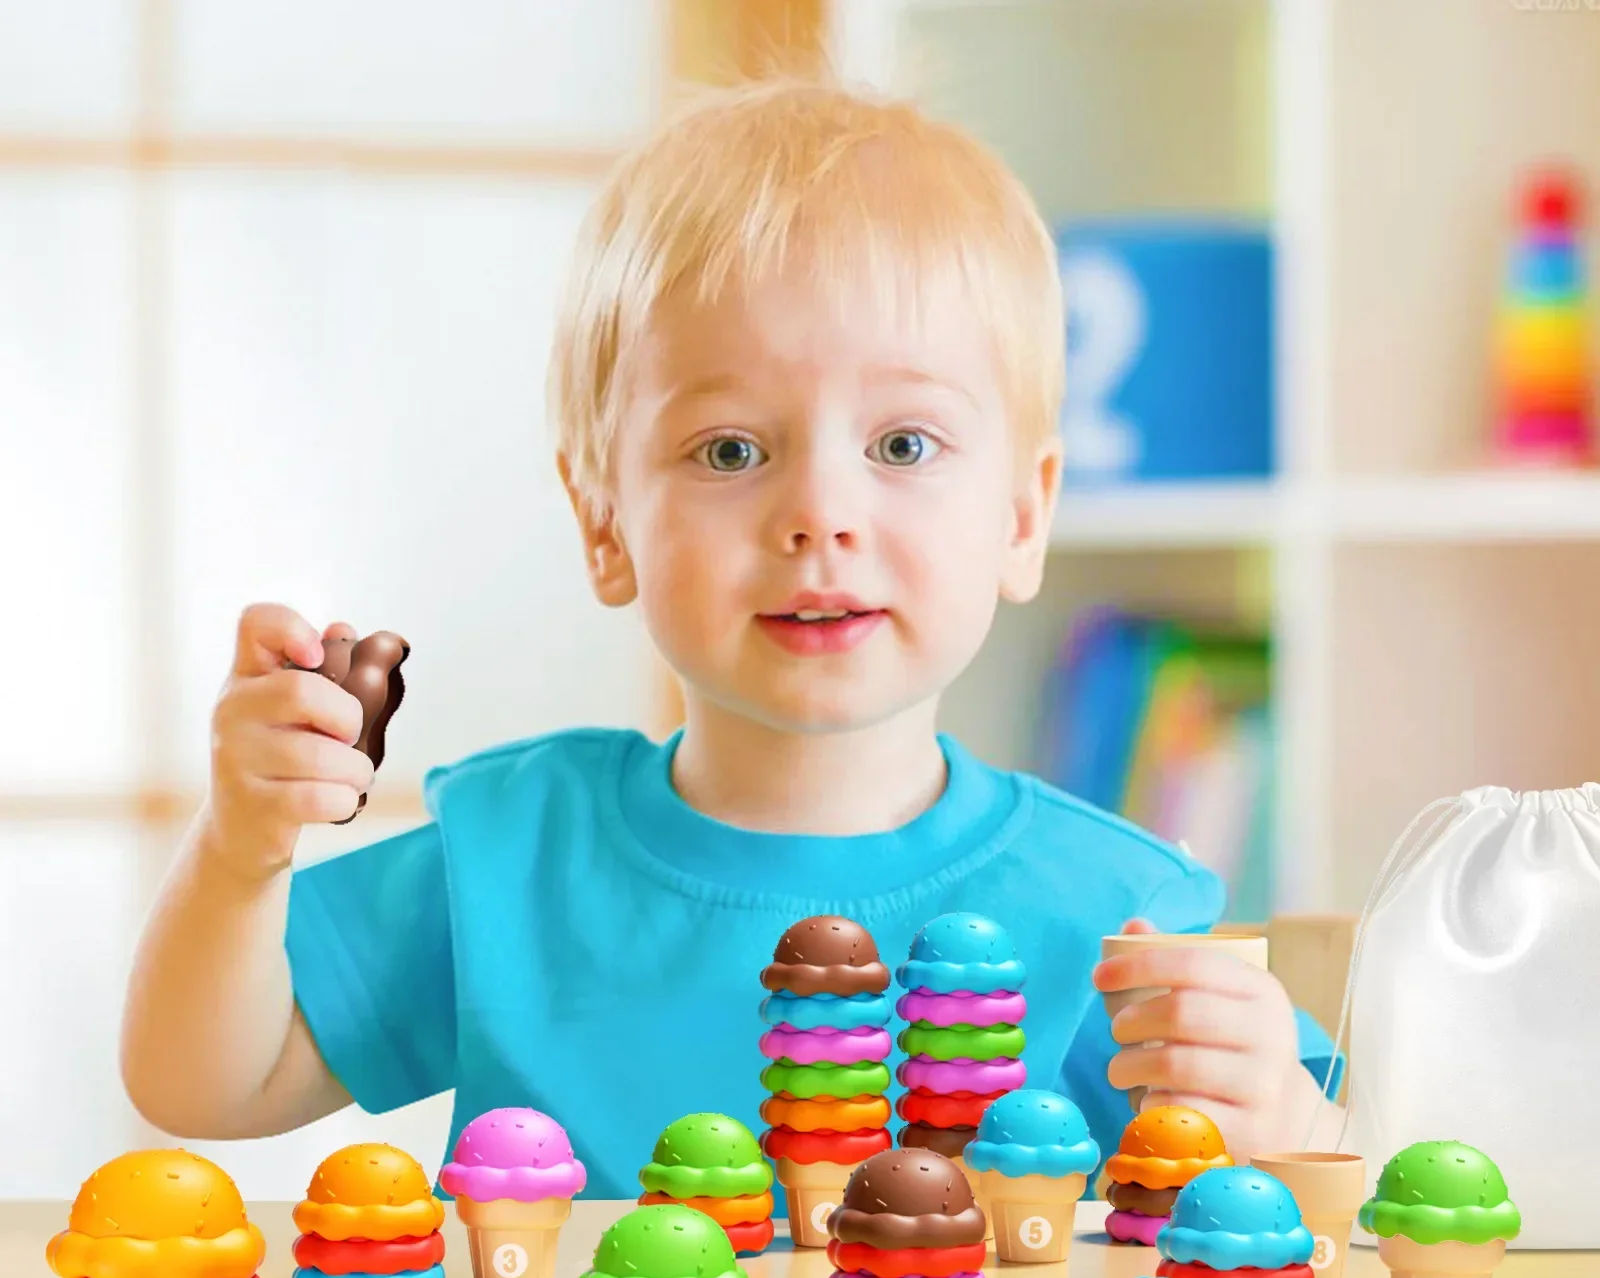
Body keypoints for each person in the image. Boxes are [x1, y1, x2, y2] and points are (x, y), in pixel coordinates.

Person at [121, 78, 1341, 1198]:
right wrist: (241, 850)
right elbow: (205, 1083)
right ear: (605, 522)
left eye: (902, 445)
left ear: (1023, 517)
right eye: (731, 450)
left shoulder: (1115, 912)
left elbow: (1342, 1200)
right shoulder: (512, 859)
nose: (819, 513)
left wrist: (1287, 1120)